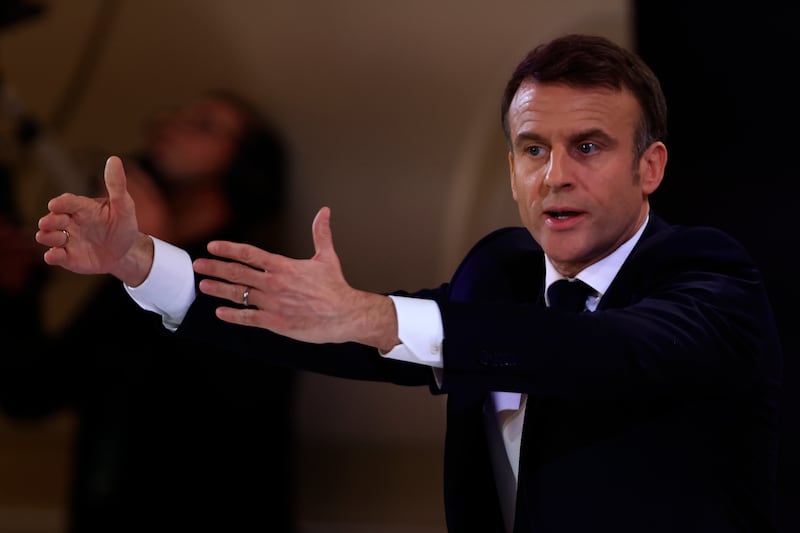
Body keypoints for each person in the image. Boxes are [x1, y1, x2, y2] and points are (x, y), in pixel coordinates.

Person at [34, 34, 783, 532]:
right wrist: (141, 265)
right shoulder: (500, 270)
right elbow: (366, 338)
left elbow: (604, 351)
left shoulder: (710, 273)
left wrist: (375, 317)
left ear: (649, 167)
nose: (555, 175)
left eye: (588, 146)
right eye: (532, 149)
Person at [4, 90, 297, 532]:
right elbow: (33, 392)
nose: (168, 124)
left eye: (203, 125)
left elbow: (223, 417)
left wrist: (155, 270)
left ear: (245, 165)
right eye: (175, 111)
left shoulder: (251, 278)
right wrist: (16, 289)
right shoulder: (128, 272)